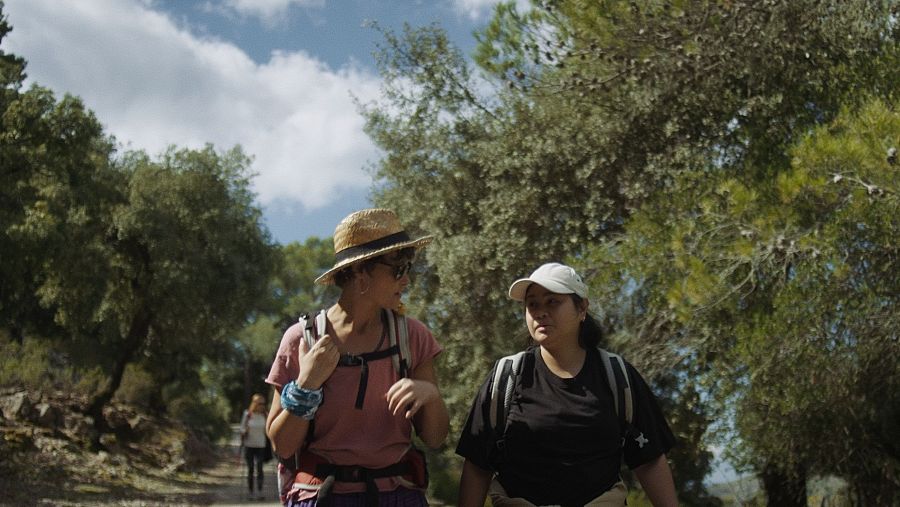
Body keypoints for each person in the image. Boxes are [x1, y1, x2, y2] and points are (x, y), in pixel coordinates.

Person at [266, 208, 450, 506]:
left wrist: (430, 395)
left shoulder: (412, 337)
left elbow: (435, 437)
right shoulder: (303, 340)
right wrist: (306, 385)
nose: (406, 281)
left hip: (397, 496)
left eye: (409, 268)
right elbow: (283, 446)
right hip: (323, 497)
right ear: (360, 272)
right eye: (398, 269)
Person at [456, 262, 678, 507]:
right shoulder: (505, 377)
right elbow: (477, 465)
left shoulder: (617, 375)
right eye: (532, 304)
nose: (540, 312)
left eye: (552, 302)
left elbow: (649, 461)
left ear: (582, 308)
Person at [240, 393, 272, 500]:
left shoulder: (265, 415)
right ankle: (250, 492)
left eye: (263, 403)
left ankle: (259, 491)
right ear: (254, 403)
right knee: (250, 469)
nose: (262, 405)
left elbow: (269, 430)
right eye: (260, 403)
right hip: (249, 445)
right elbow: (242, 429)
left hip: (261, 445)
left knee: (259, 468)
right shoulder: (248, 414)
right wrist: (245, 431)